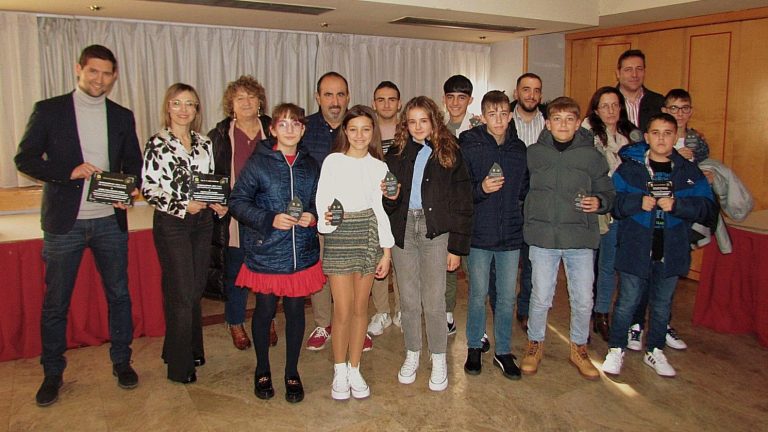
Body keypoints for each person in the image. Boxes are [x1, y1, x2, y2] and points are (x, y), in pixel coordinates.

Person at [15, 44, 142, 407]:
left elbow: (133, 164)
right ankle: (52, 372)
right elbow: (24, 158)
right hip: (63, 223)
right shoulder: (49, 110)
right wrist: (67, 173)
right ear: (79, 69)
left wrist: (127, 192)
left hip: (108, 221)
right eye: (93, 72)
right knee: (56, 302)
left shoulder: (121, 115)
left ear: (114, 76)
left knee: (119, 295)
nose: (99, 80)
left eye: (107, 74)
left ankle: (122, 362)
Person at [601, 113, 715, 377]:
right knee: (627, 301)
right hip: (635, 245)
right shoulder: (630, 169)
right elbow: (612, 204)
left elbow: (708, 209)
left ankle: (655, 350)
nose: (661, 138)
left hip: (672, 247)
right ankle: (616, 348)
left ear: (675, 137)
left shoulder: (689, 172)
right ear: (647, 136)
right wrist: (636, 202)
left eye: (667, 133)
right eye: (656, 133)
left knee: (663, 304)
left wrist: (678, 205)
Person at [229, 103, 324, 403]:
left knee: (296, 313)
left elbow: (319, 201)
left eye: (295, 124)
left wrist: (313, 216)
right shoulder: (259, 163)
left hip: (301, 254)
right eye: (282, 124)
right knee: (265, 311)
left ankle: (292, 372)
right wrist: (269, 218)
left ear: (303, 129)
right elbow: (238, 202)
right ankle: (262, 368)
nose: (289, 130)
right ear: (272, 129)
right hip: (268, 253)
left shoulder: (311, 165)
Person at [519, 97, 615, 380]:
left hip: (580, 238)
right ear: (547, 123)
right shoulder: (533, 153)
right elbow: (521, 189)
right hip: (543, 237)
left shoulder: (592, 155)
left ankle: (579, 347)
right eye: (557, 119)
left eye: (569, 119)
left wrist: (599, 201)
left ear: (577, 123)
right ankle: (535, 344)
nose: (563, 124)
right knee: (540, 296)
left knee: (584, 298)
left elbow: (608, 193)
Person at [384, 96, 473, 392]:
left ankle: (438, 356)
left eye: (424, 120)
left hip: (437, 232)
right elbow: (387, 199)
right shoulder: (396, 153)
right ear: (405, 125)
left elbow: (463, 201)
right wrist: (388, 195)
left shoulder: (451, 152)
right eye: (412, 121)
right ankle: (412, 352)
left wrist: (457, 247)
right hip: (404, 229)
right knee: (408, 300)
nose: (418, 127)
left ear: (434, 121)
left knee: (434, 301)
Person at [142, 83, 220, 384]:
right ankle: (179, 365)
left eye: (190, 104)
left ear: (197, 109)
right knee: (181, 293)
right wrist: (181, 205)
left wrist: (216, 203)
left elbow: (209, 182)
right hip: (172, 223)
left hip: (202, 223)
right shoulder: (157, 143)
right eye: (178, 103)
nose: (184, 110)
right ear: (168, 107)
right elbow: (149, 188)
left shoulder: (204, 143)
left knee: (195, 289)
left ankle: (189, 348)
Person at [316, 105, 394, 400]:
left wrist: (385, 252)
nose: (359, 135)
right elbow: (323, 201)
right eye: (353, 129)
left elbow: (381, 211)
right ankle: (339, 370)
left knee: (362, 308)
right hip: (340, 235)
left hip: (369, 235)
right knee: (343, 308)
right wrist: (328, 221)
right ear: (344, 132)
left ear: (373, 132)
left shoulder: (379, 166)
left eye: (365, 129)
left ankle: (354, 367)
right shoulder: (333, 162)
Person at [303, 72, 373, 352]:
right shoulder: (305, 129)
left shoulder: (355, 128)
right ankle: (323, 323)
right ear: (317, 97)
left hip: (355, 221)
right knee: (322, 272)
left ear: (348, 96)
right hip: (320, 219)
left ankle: (358, 326)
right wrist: (311, 213)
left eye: (341, 94)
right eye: (328, 94)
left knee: (356, 276)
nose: (335, 100)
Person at [207, 75, 277, 351]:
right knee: (236, 273)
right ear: (231, 105)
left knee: (267, 273)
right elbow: (211, 175)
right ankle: (235, 321)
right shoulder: (219, 136)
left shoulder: (273, 130)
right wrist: (219, 200)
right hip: (234, 216)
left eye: (251, 97)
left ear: (260, 102)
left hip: (268, 215)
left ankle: (267, 319)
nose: (247, 102)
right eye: (240, 98)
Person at [460, 91, 528, 380]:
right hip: (480, 235)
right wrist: (481, 190)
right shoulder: (470, 145)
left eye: (503, 114)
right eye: (492, 114)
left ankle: (503, 351)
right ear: (483, 116)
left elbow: (524, 187)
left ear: (510, 116)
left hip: (511, 235)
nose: (498, 119)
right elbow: (461, 188)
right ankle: (474, 347)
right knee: (477, 295)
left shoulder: (519, 148)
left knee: (506, 299)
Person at [581, 86, 637, 341]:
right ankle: (582, 316)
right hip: (592, 210)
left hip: (619, 211)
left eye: (615, 105)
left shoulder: (630, 137)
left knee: (607, 266)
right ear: (595, 110)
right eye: (605, 106)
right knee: (585, 267)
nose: (611, 110)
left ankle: (601, 313)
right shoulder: (586, 135)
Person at [442, 74, 479, 337]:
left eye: (462, 97)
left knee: (473, 266)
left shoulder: (479, 127)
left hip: (473, 204)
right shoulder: (436, 127)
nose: (456, 102)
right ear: (444, 99)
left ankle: (477, 324)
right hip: (445, 208)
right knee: (447, 263)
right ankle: (447, 312)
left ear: (470, 100)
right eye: (451, 97)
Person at [510, 73, 547, 331]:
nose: (531, 95)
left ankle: (525, 310)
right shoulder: (503, 120)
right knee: (507, 262)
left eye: (536, 90)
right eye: (526, 89)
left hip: (540, 202)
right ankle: (502, 306)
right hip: (511, 200)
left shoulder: (551, 123)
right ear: (516, 93)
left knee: (533, 262)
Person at [368, 81, 402, 335]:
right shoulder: (367, 131)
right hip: (374, 205)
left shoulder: (408, 129)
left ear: (399, 103)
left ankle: (402, 309)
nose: (387, 104)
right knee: (379, 258)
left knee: (402, 259)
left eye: (391, 99)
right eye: (381, 99)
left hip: (402, 205)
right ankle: (381, 312)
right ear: (374, 103)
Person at [615, 49, 665, 132]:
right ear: (618, 73)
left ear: (644, 72)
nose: (634, 75)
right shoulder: (605, 102)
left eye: (639, 69)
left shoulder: (658, 102)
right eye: (628, 70)